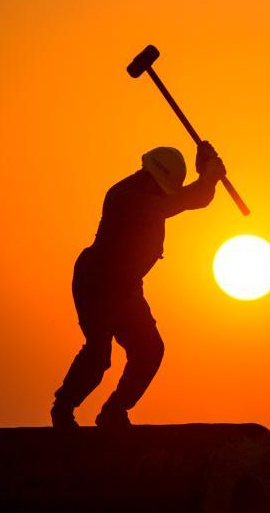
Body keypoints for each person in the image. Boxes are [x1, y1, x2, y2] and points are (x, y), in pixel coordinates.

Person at [51, 142, 227, 428]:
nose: (162, 193)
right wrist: (206, 180)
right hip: (96, 282)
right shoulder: (125, 197)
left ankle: (113, 412)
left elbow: (186, 200)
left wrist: (207, 177)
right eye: (161, 188)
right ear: (149, 179)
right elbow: (176, 203)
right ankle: (63, 409)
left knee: (149, 350)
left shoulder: (152, 195)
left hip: (126, 287)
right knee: (98, 356)